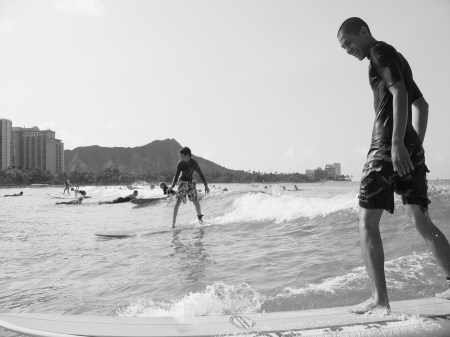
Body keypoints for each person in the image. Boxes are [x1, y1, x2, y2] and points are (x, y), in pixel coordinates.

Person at [337, 17, 450, 314]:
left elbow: (400, 93)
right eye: (343, 47)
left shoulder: (380, 52)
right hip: (406, 147)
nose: (347, 50)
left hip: (386, 145)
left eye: (348, 42)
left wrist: (398, 144)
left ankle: (380, 299)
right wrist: (414, 145)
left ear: (364, 32)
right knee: (420, 220)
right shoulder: (397, 58)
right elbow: (421, 106)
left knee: (367, 222)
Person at [167, 147, 210, 228]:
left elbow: (200, 173)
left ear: (187, 155)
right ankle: (173, 223)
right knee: (178, 202)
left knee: (195, 201)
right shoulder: (180, 163)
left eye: (182, 155)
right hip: (182, 182)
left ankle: (200, 219)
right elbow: (176, 176)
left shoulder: (193, 163)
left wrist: (206, 185)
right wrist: (172, 186)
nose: (180, 157)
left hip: (191, 182)